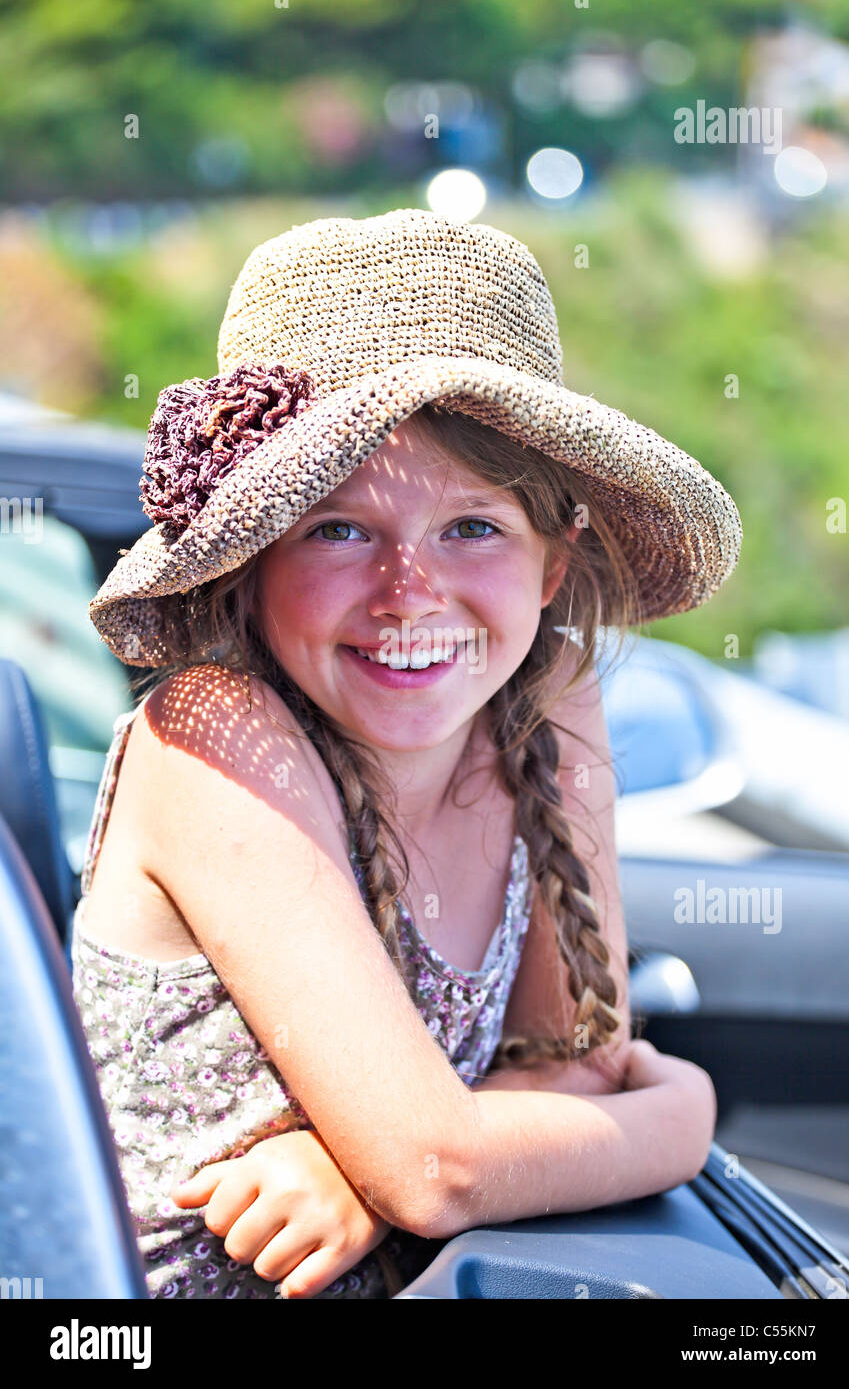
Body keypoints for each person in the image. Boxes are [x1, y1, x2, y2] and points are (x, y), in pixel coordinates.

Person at [71, 207, 740, 1299]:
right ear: (246, 564)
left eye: (471, 527)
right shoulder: (213, 738)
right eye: (338, 529)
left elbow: (563, 1060)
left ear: (551, 563)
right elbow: (438, 1170)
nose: (407, 596)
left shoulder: (546, 701)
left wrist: (363, 1167)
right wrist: (682, 1113)